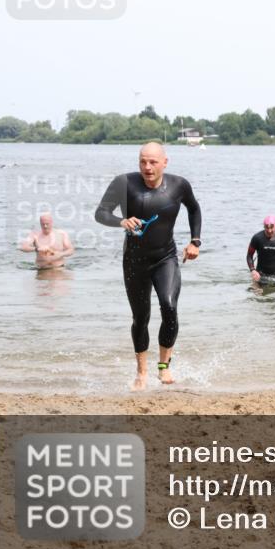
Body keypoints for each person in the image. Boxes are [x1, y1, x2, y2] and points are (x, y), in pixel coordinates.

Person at [94, 142, 202, 391]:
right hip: (134, 261)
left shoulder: (179, 185)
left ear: (165, 162)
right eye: (143, 161)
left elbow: (194, 209)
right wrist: (121, 220)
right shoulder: (124, 183)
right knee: (140, 317)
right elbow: (100, 213)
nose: (147, 167)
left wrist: (195, 241)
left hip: (165, 258)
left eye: (153, 162)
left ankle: (164, 368)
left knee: (169, 305)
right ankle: (141, 372)